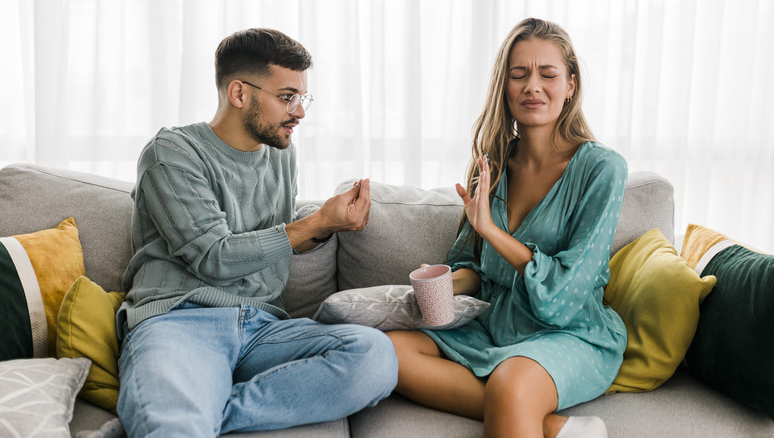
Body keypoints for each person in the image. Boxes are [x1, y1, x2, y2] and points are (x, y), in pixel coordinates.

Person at [115, 28, 398, 437]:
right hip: (180, 320)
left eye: (303, 98)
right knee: (173, 427)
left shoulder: (283, 155)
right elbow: (214, 256)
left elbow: (270, 239)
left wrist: (326, 227)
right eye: (287, 97)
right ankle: (182, 412)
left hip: (263, 327)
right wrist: (313, 223)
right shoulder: (172, 153)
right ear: (239, 93)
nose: (299, 112)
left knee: (375, 357)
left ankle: (210, 411)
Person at [387, 18, 627, 438]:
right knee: (390, 350)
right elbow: (473, 267)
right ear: (505, 86)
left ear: (570, 84)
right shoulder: (492, 166)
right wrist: (442, 284)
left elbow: (566, 295)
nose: (533, 86)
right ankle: (556, 428)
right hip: (495, 325)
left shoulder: (602, 169)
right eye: (519, 75)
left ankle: (516, 405)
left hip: (569, 332)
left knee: (510, 384)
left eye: (548, 74)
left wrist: (495, 233)